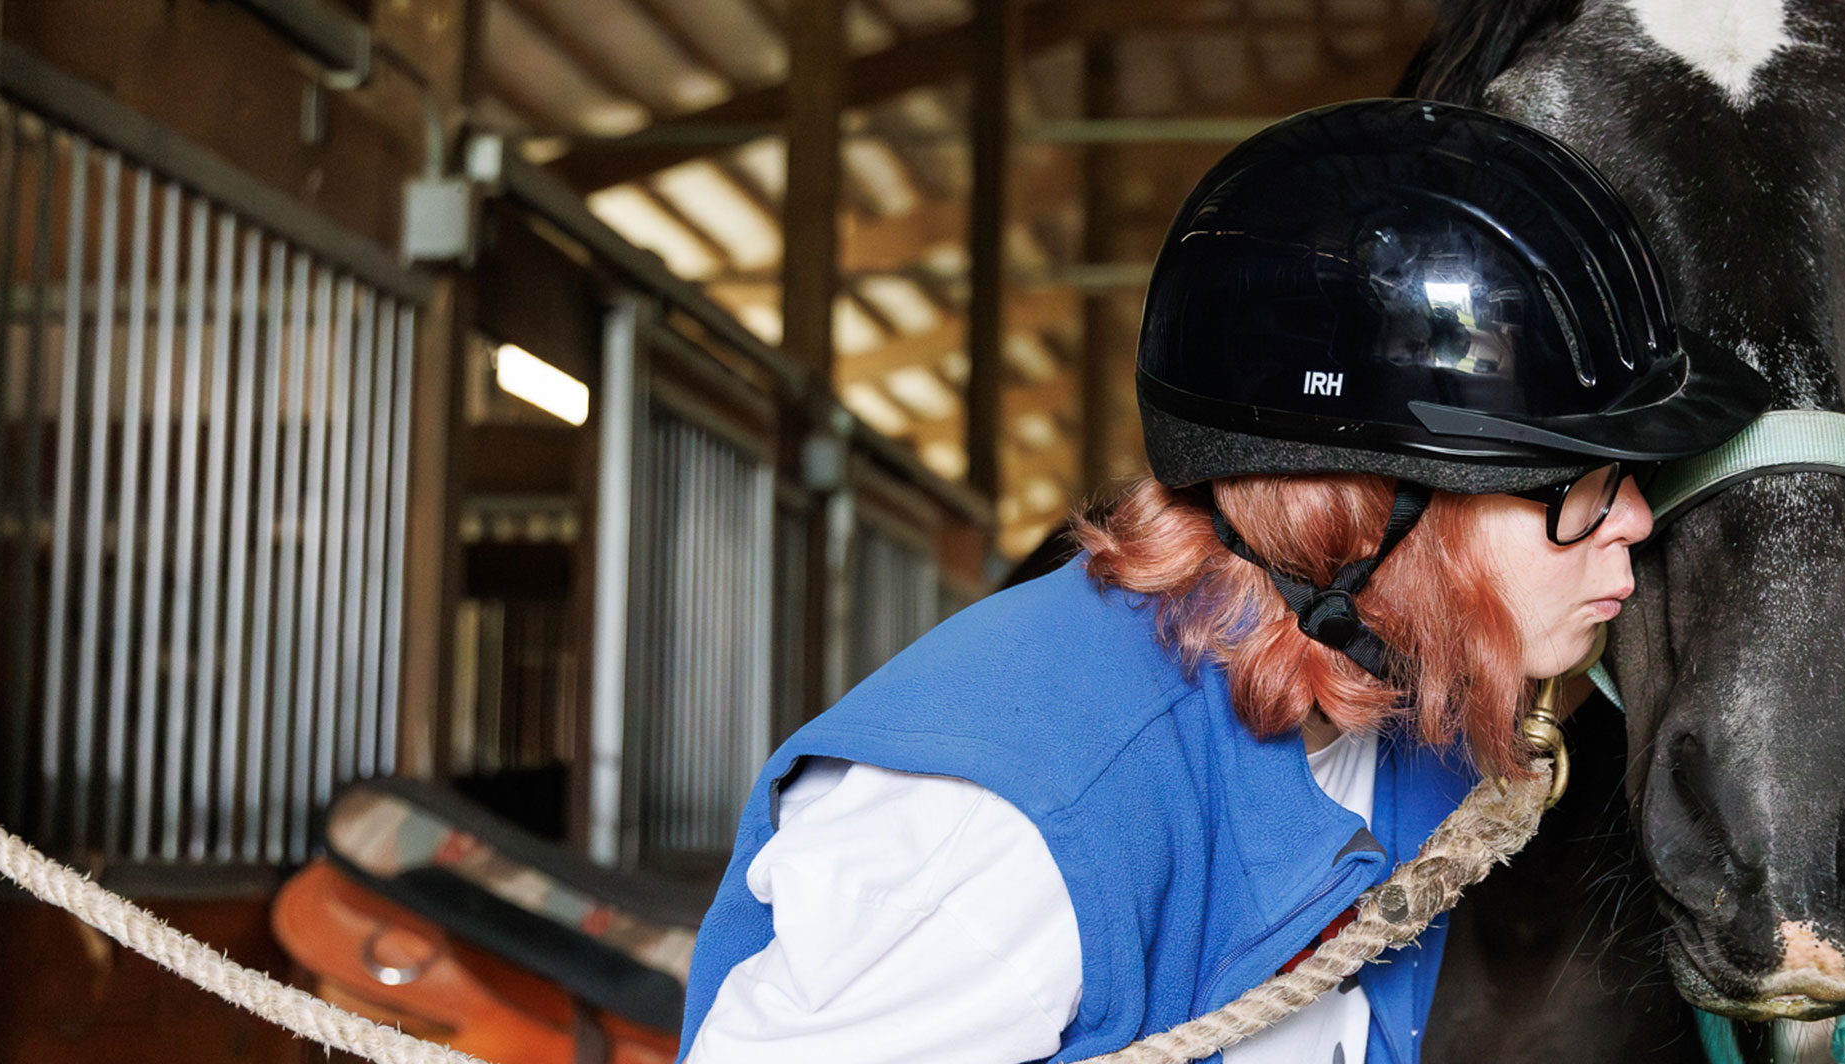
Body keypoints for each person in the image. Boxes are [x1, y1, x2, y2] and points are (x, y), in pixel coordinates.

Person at [674, 98, 1770, 1064]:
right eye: (1577, 480)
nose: (1631, 516)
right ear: (1365, 504)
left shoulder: (1394, 726)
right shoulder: (1010, 831)